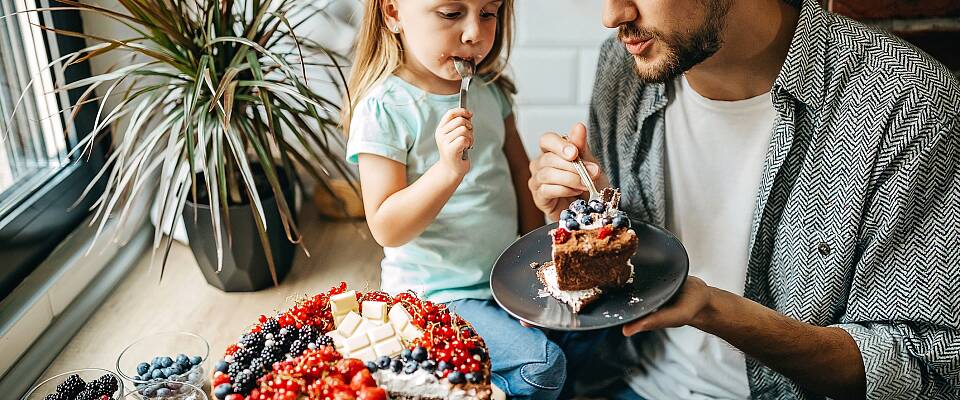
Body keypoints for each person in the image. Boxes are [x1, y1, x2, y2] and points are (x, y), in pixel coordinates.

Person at [528, 0, 960, 398]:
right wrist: (567, 222)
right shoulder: (625, 67)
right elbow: (612, 273)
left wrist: (717, 311)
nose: (613, 14)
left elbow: (923, 365)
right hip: (622, 380)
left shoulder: (908, 107)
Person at [342, 1, 592, 398]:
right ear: (393, 14)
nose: (475, 33)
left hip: (505, 280)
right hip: (436, 295)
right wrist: (447, 171)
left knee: (595, 337)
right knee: (542, 367)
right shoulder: (384, 107)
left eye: (488, 13)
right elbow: (386, 227)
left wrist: (538, 264)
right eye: (450, 13)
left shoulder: (490, 91)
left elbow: (517, 178)